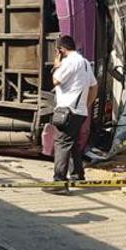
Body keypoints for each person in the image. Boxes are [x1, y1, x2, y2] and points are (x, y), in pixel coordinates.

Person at [51, 35, 97, 188]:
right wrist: (86, 104)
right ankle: (78, 176)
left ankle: (59, 183)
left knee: (62, 143)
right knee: (73, 144)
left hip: (67, 111)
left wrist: (57, 65)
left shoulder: (69, 62)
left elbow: (55, 80)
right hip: (79, 112)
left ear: (61, 50)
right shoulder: (84, 63)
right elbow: (94, 86)